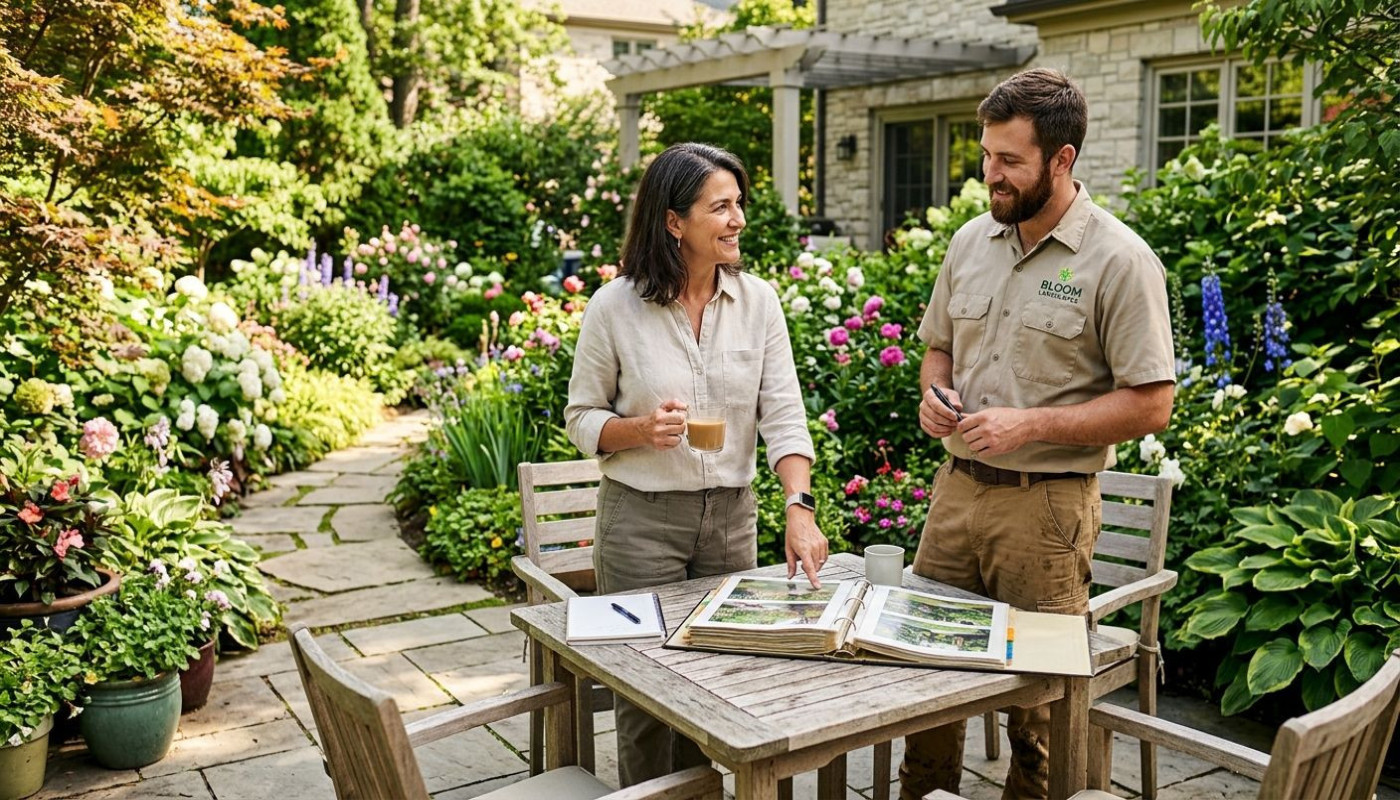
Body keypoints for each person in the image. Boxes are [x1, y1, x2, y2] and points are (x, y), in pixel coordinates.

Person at [900, 68, 1176, 800]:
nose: (990, 174)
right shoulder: (969, 242)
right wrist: (935, 392)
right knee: (921, 671)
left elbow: (1151, 404)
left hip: (1048, 511)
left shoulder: (1120, 260)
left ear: (1062, 160)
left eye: (1010, 161)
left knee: (1042, 708)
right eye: (987, 155)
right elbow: (937, 347)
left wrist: (1033, 424)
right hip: (954, 498)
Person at [564, 142, 829, 787]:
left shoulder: (760, 303)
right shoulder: (615, 307)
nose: (738, 219)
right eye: (721, 207)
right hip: (641, 523)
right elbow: (581, 419)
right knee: (646, 695)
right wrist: (638, 430)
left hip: (732, 521)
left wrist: (799, 508)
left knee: (720, 678)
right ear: (674, 222)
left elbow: (785, 417)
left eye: (739, 204)